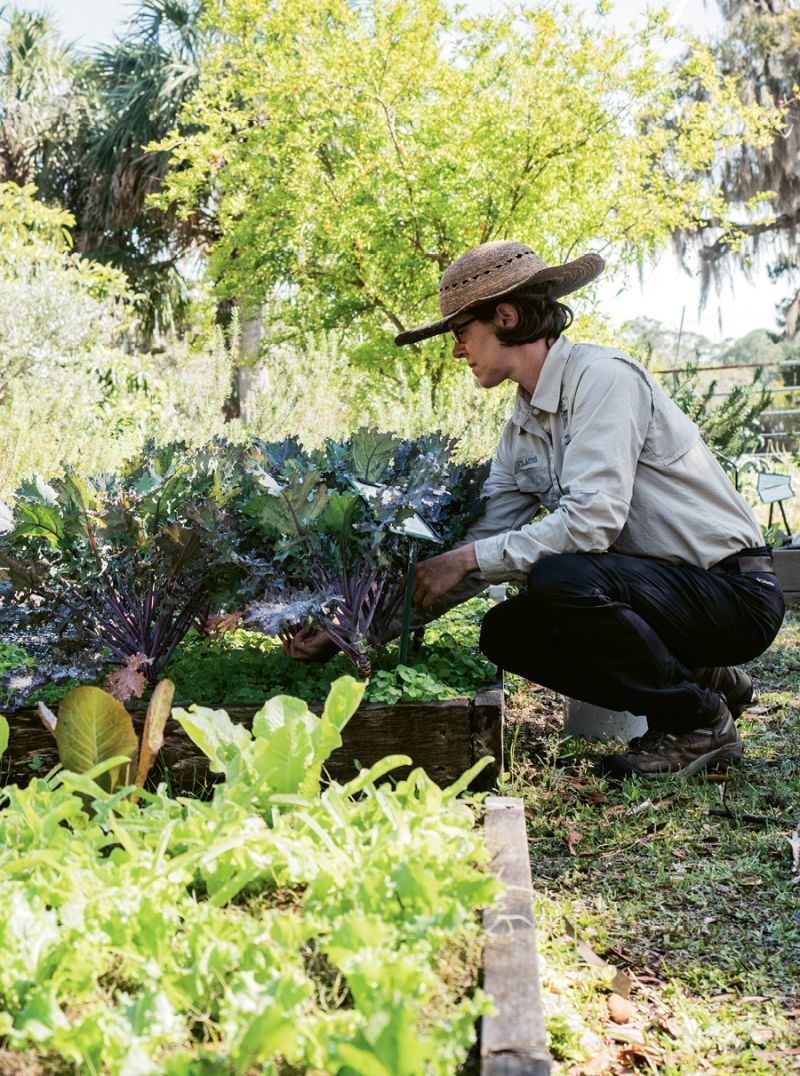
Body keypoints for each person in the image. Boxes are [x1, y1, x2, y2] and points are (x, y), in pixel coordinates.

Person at [287, 239, 785, 778]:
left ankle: (698, 722)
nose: (457, 351)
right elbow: (479, 542)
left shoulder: (604, 379)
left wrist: (470, 557)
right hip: (663, 598)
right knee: (506, 632)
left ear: (505, 316)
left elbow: (593, 524)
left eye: (461, 334)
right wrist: (355, 629)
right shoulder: (524, 427)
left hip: (734, 595)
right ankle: (703, 678)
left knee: (560, 577)